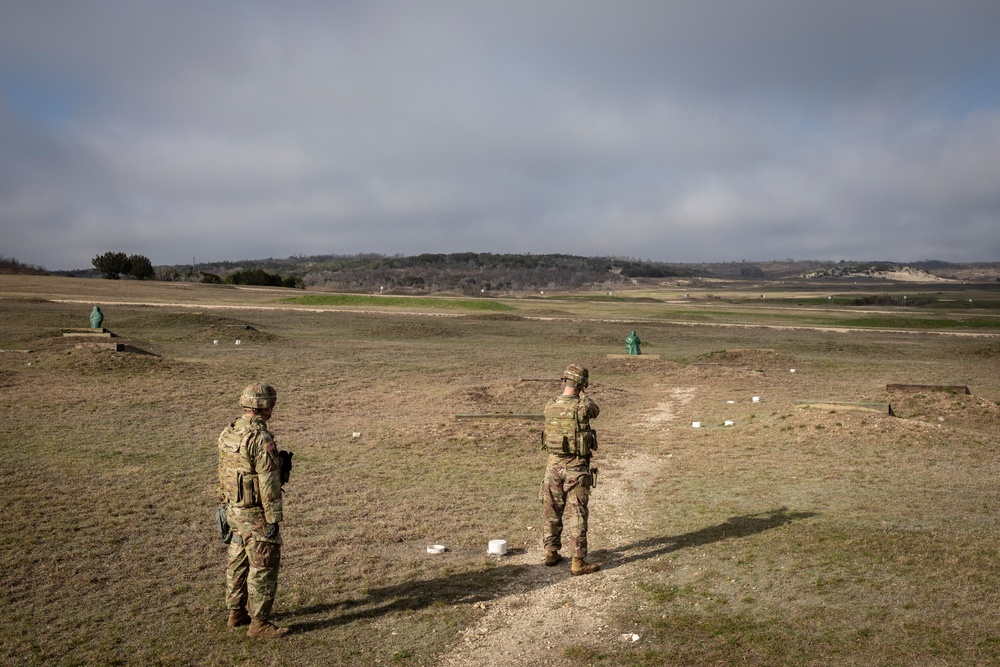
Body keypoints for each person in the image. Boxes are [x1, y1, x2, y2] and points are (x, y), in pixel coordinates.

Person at [217, 382, 289, 638]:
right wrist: (273, 518)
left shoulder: (230, 430)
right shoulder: (261, 438)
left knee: (237, 558)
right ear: (267, 406)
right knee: (263, 565)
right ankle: (259, 623)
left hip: (232, 509)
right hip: (254, 512)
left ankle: (236, 611)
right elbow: (268, 482)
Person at [540, 364, 601, 575]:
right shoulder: (582, 406)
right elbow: (596, 410)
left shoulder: (550, 405)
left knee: (552, 510)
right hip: (576, 468)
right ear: (582, 385)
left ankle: (551, 553)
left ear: (564, 381)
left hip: (553, 467)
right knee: (578, 514)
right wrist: (583, 394)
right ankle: (577, 562)